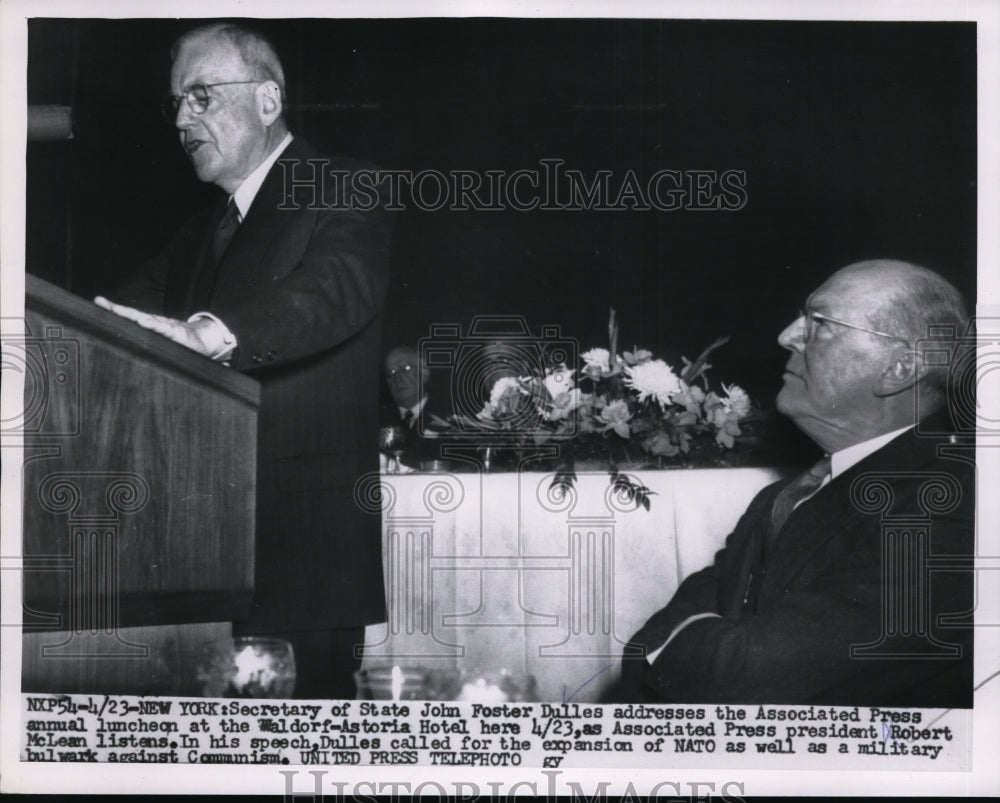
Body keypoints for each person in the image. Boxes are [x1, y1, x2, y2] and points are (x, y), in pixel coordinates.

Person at [94, 23, 392, 699]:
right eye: (174, 102)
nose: (180, 119)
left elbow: (334, 289)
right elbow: (106, 318)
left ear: (267, 100)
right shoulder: (198, 232)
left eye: (200, 95)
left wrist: (211, 331)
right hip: (197, 543)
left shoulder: (344, 186)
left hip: (305, 551)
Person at [616, 259, 973, 707]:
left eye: (820, 322)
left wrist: (681, 646)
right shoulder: (789, 493)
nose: (787, 335)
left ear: (900, 368)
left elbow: (739, 676)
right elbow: (659, 643)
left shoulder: (954, 508)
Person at [380, 345, 453, 470]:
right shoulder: (378, 421)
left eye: (405, 369)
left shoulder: (450, 416)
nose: (397, 379)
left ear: (424, 372)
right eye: (390, 374)